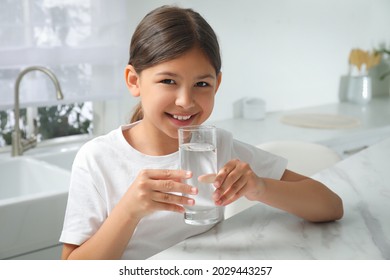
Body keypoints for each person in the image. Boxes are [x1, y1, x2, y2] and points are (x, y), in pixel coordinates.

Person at [60, 5, 343, 260]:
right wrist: (128, 211)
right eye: (168, 81)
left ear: (217, 84)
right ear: (134, 81)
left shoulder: (215, 145)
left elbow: (331, 206)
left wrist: (260, 187)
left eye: (202, 84)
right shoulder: (97, 159)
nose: (186, 100)